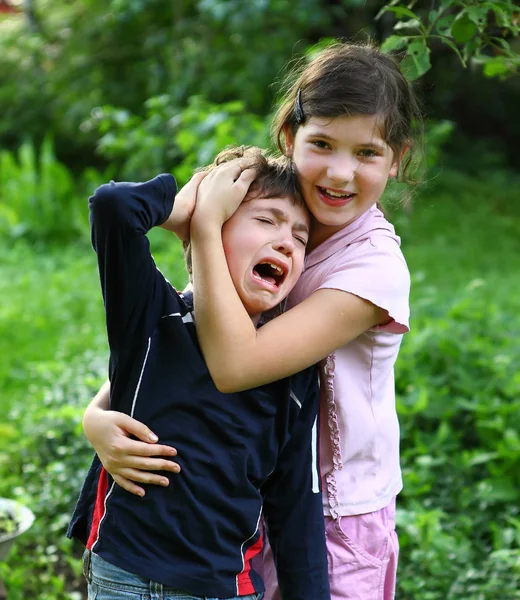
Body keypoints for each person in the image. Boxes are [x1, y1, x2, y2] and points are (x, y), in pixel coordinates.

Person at [85, 40, 422, 600]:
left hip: (337, 519)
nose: (340, 173)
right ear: (290, 137)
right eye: (322, 144)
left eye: (367, 153)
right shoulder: (286, 219)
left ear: (397, 160)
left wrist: (205, 227)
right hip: (246, 504)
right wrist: (97, 416)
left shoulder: (373, 270)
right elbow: (173, 342)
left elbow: (232, 364)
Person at [67, 146, 331, 600]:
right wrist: (192, 208)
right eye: (266, 221)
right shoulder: (153, 316)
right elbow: (114, 207)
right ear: (212, 226)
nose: (288, 241)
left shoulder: (290, 367)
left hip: (222, 587)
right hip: (123, 576)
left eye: (301, 237)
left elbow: (296, 509)